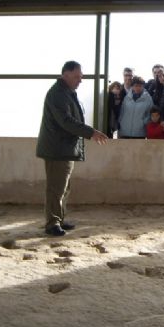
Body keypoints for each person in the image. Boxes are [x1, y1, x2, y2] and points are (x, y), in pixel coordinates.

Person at [36, 60, 108, 236]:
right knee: (56, 188)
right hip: (57, 149)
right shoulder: (58, 94)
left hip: (64, 147)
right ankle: (52, 223)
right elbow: (66, 121)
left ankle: (58, 219)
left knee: (64, 187)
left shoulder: (66, 92)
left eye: (81, 77)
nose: (80, 80)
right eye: (77, 76)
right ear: (65, 74)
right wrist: (91, 132)